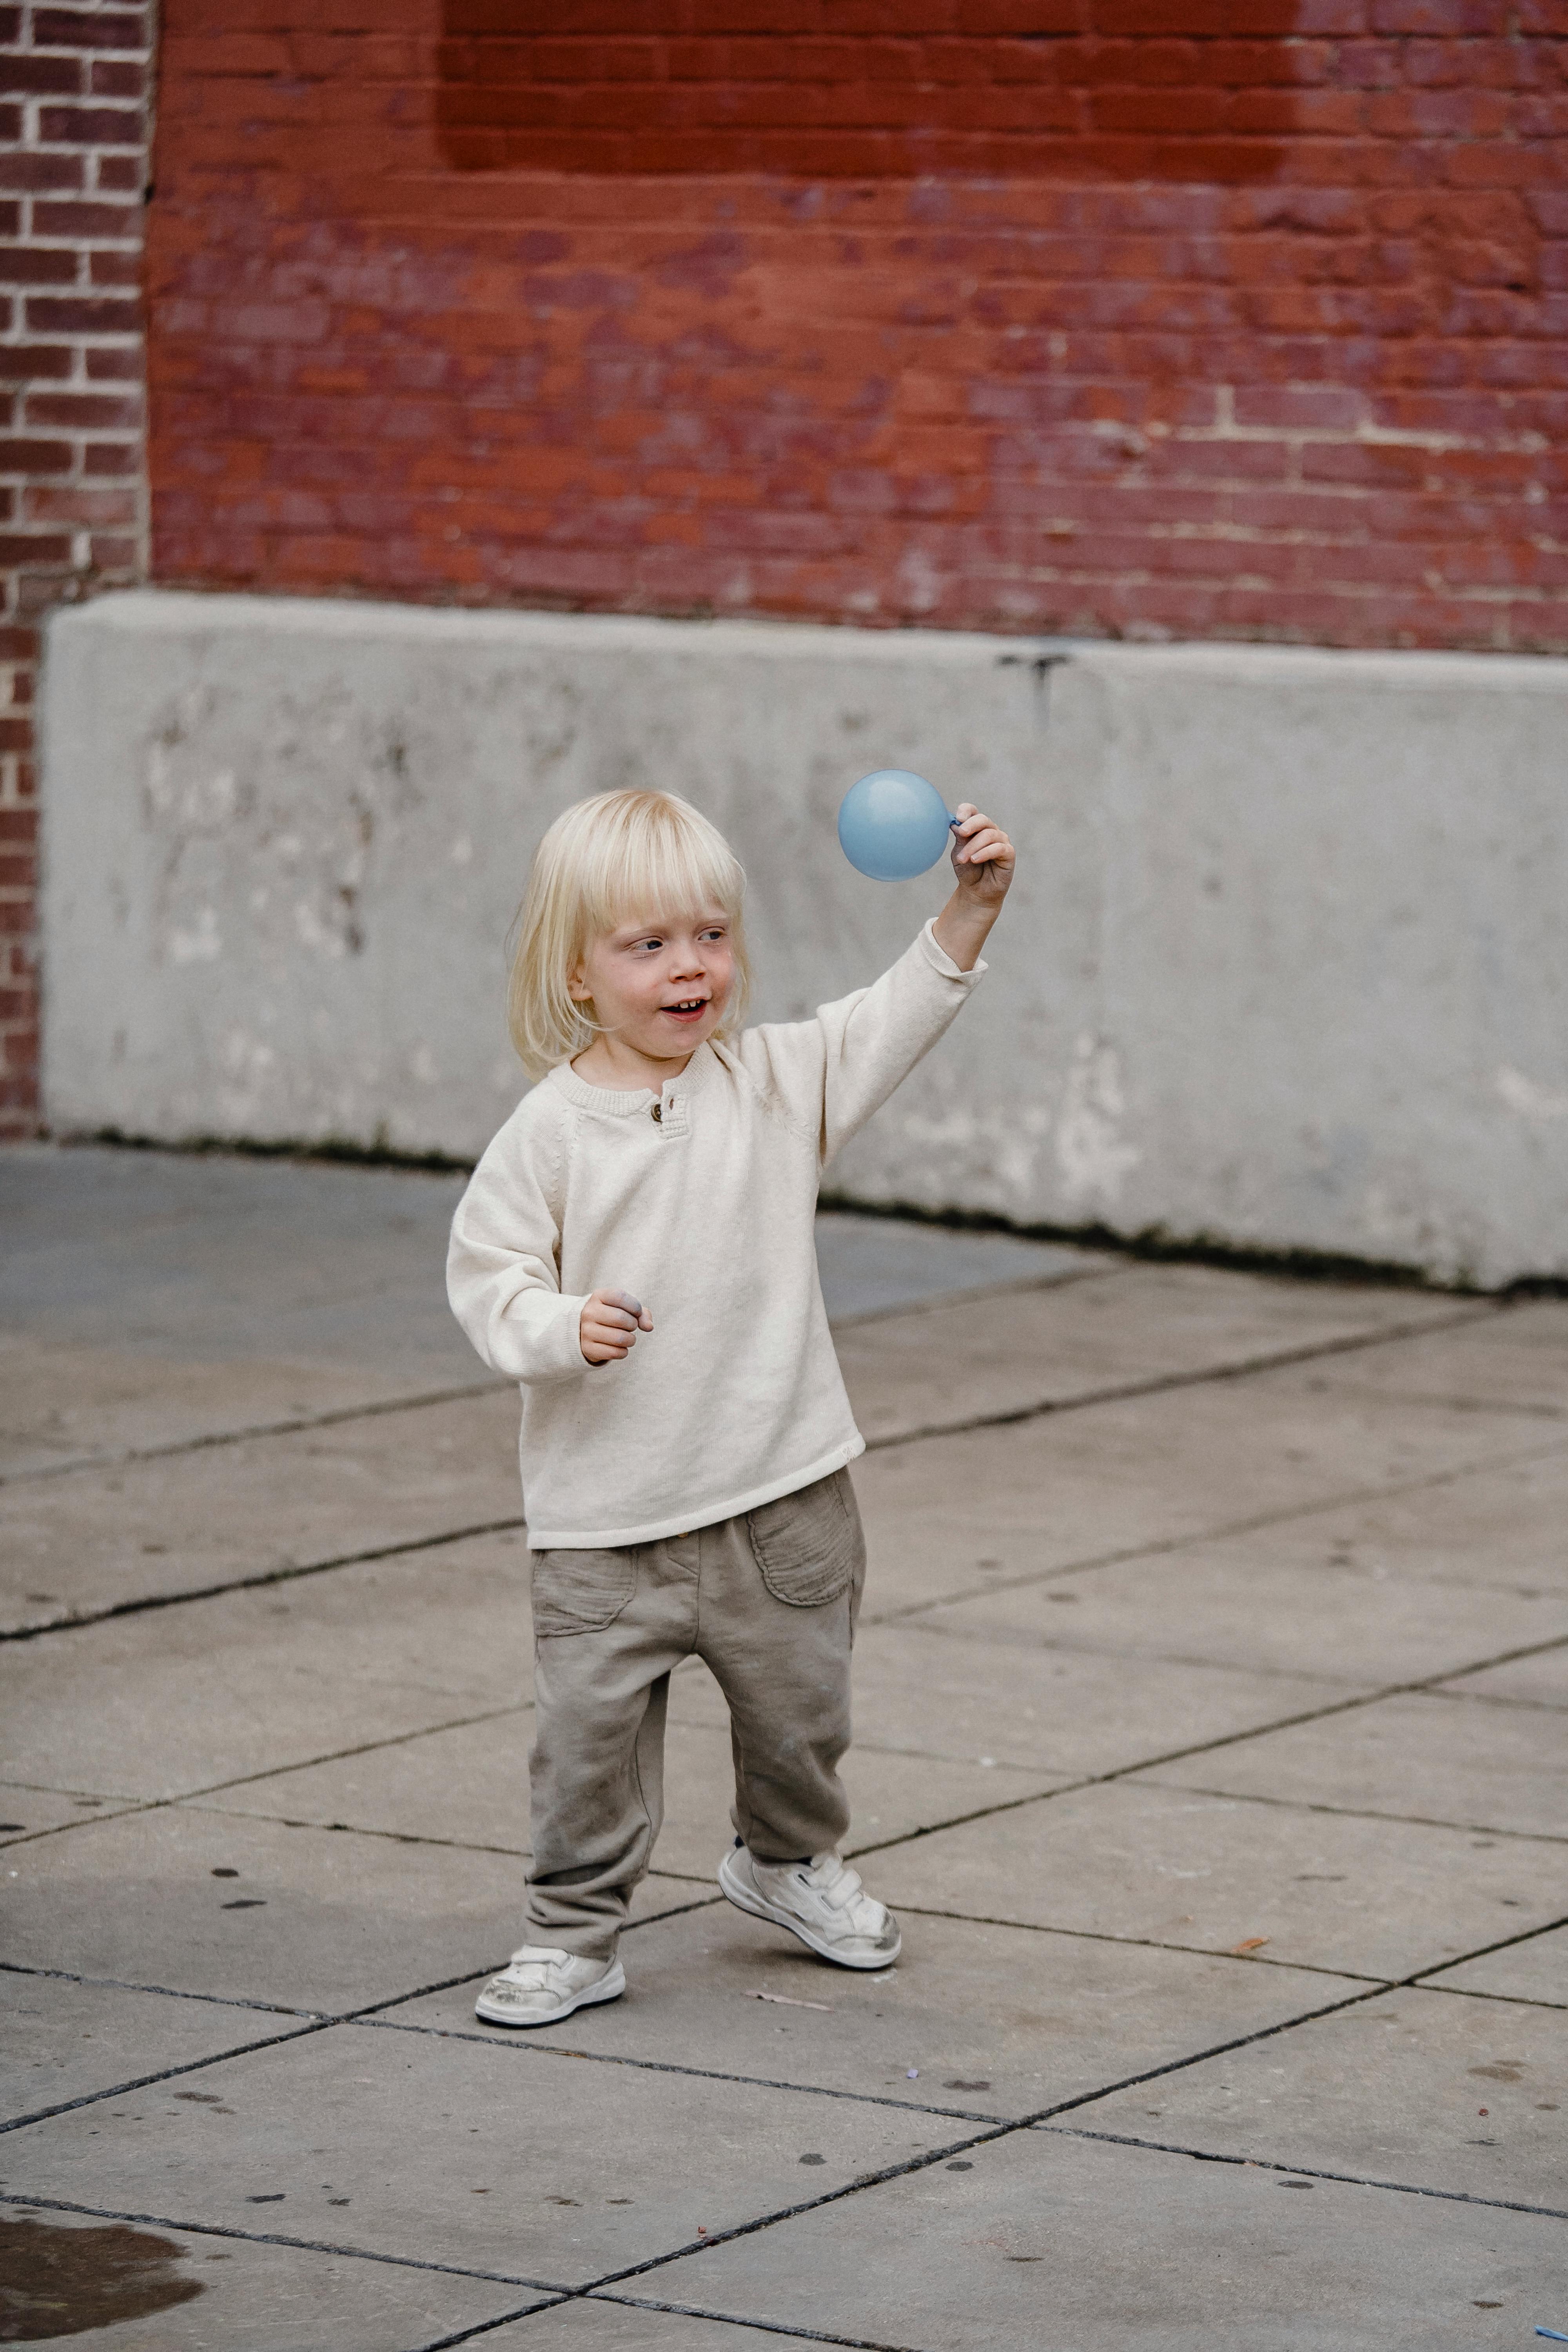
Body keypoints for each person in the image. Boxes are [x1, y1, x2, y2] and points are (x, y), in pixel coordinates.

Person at [447, 785, 1015, 2026]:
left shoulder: (773, 1083)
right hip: (607, 1520)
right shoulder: (549, 1133)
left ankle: (787, 1861)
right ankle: (572, 1933)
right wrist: (558, 1326)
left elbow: (891, 1020)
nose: (688, 967)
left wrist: (969, 909)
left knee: (803, 1717)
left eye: (709, 935)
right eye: (646, 946)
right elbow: (487, 1278)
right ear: (579, 973)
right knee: (588, 1748)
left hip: (783, 1491)